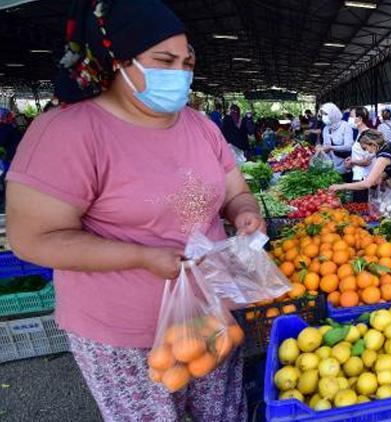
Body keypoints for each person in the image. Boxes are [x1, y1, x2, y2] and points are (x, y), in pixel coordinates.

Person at [6, 1, 258, 420]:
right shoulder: (68, 132)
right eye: (164, 61)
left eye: (187, 62)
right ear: (117, 62)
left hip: (213, 316)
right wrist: (140, 256)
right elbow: (32, 238)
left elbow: (236, 192)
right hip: (127, 337)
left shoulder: (200, 125)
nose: (179, 72)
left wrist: (246, 212)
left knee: (223, 413)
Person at [329, 129, 391, 193]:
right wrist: (382, 176)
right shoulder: (388, 145)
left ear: (372, 144)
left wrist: (340, 187)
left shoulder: (384, 157)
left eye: (365, 148)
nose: (368, 151)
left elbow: (367, 184)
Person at [319, 102, 353, 181]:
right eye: (323, 115)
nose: (324, 117)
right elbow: (325, 145)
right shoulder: (326, 129)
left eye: (325, 114)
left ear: (333, 114)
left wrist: (331, 147)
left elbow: (348, 147)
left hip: (345, 165)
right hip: (330, 167)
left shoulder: (345, 126)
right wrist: (320, 148)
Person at [348, 107, 375, 203]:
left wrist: (352, 161)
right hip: (359, 176)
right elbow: (361, 154)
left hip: (363, 178)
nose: (349, 119)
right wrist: (352, 159)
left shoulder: (368, 135)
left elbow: (367, 161)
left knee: (361, 208)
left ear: (359, 119)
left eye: (351, 116)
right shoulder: (360, 134)